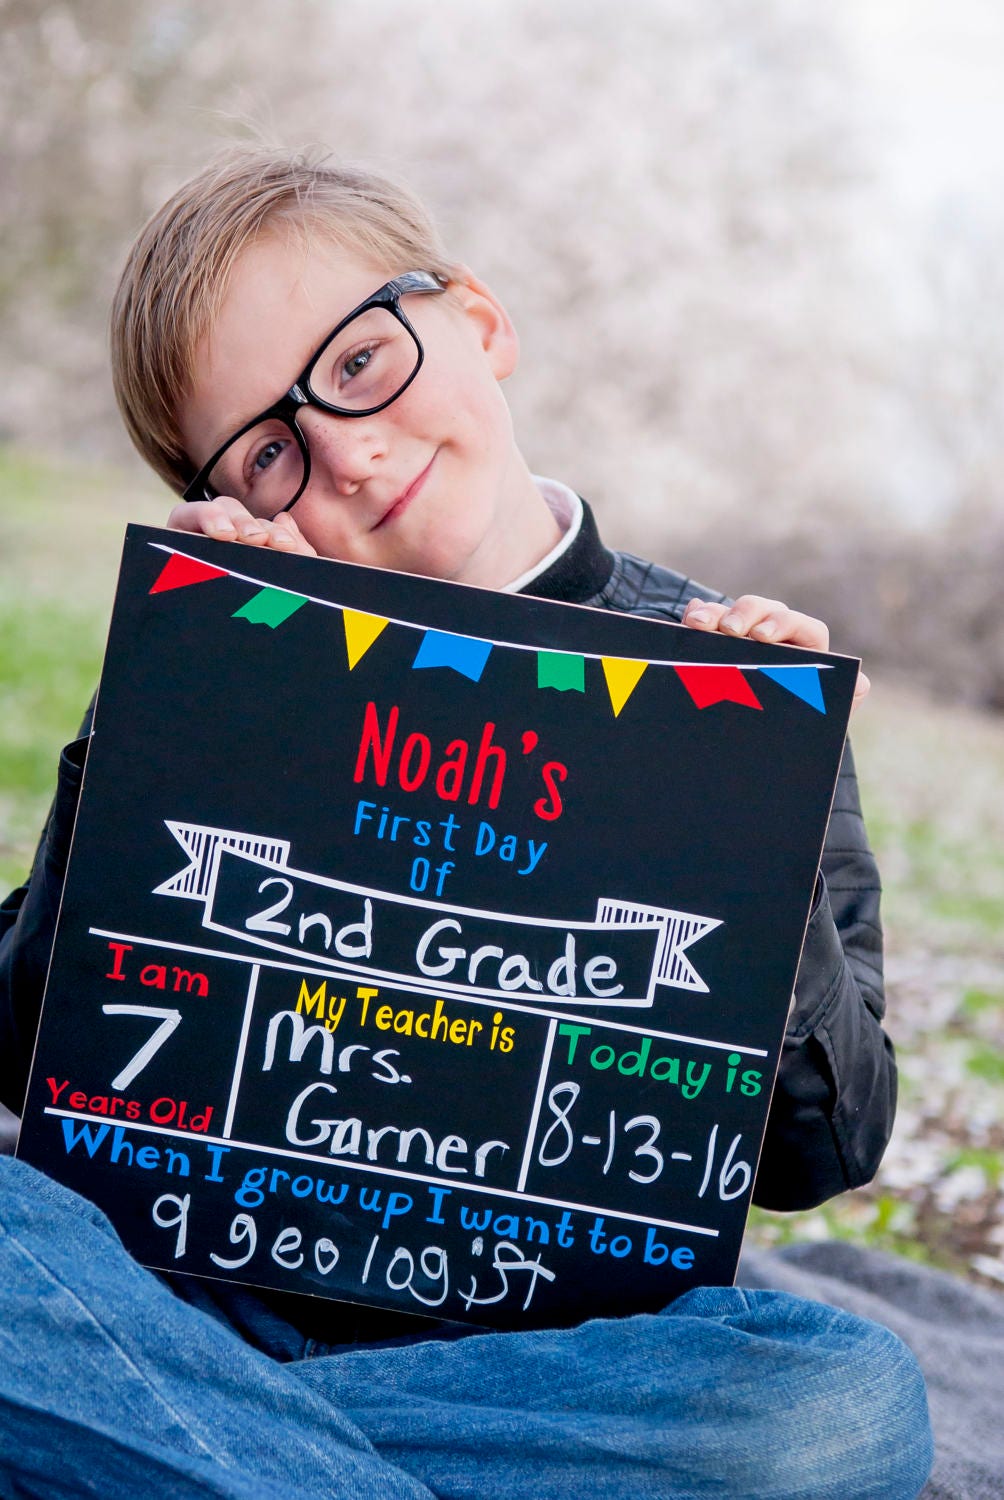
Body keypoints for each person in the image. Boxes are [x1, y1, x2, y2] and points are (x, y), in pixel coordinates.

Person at [0, 147, 932, 1498]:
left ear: (482, 324)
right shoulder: (228, 660)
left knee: (845, 1412)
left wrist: (749, 827)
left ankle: (158, 1447)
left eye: (361, 364)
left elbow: (824, 1149)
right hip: (197, 1293)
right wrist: (163, 696)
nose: (348, 452)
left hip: (547, 1358)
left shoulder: (726, 680)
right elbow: (29, 1052)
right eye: (270, 452)